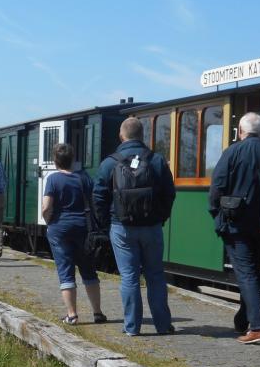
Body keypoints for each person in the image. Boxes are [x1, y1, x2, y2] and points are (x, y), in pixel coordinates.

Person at [93, 117, 176, 337]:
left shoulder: (110, 163)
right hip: (152, 227)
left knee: (129, 277)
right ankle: (163, 325)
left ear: (121, 136)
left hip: (121, 227)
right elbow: (169, 194)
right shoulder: (156, 160)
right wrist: (161, 217)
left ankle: (132, 327)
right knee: (155, 276)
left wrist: (106, 223)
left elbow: (98, 196)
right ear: (142, 136)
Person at [209, 113, 260, 343]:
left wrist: (216, 214)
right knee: (253, 274)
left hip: (236, 223)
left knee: (246, 274)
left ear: (240, 130)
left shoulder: (232, 152)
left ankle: (258, 326)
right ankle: (243, 319)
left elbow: (217, 186)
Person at [42, 143, 106, 325]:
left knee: (65, 271)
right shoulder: (84, 178)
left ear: (55, 161)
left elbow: (46, 207)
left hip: (60, 229)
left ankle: (72, 315)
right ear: (73, 160)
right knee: (89, 271)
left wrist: (49, 222)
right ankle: (97, 312)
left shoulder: (53, 179)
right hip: (83, 228)